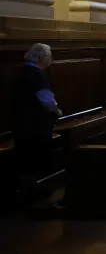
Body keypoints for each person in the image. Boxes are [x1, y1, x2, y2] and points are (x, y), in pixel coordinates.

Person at [12, 43, 62, 196]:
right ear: (41, 58)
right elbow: (47, 101)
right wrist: (58, 112)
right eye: (49, 56)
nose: (51, 59)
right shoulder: (36, 75)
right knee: (34, 159)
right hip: (35, 126)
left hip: (24, 124)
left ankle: (30, 190)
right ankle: (35, 192)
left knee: (27, 158)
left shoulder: (25, 72)